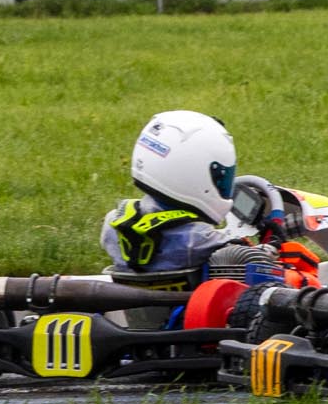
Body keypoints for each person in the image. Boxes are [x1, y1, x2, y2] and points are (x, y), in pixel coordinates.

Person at [100, 110, 254, 281]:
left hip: (129, 296)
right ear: (192, 174)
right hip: (195, 297)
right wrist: (269, 247)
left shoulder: (114, 224)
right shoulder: (198, 241)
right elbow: (249, 258)